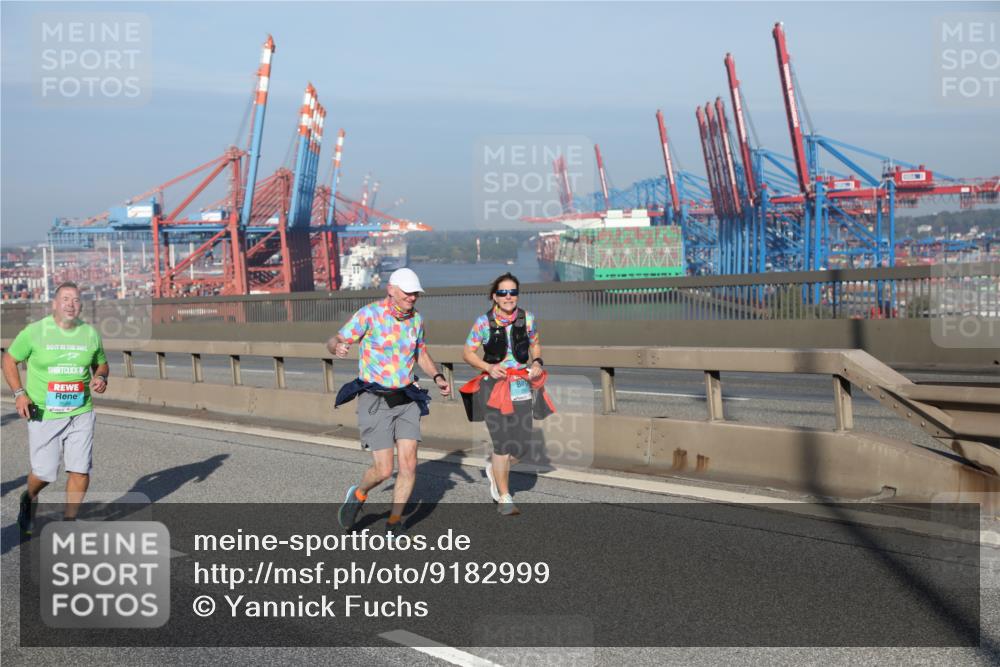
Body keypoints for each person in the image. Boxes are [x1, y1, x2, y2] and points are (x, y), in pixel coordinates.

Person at [330, 268, 450, 535]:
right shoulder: (370, 314)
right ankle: (359, 494)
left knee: (409, 464)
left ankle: (394, 522)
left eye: (416, 293)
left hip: (407, 398)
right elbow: (336, 338)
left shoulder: (416, 320)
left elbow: (421, 353)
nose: (413, 297)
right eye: (408, 292)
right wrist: (337, 346)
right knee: (384, 470)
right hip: (375, 399)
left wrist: (438, 375)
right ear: (391, 290)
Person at [3, 282, 109, 535]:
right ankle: (29, 497)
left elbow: (101, 363)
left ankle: (69, 523)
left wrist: (101, 377)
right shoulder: (34, 332)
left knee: (80, 470)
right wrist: (19, 394)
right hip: (44, 412)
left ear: (81, 305)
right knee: (45, 473)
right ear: (54, 304)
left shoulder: (90, 334)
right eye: (65, 299)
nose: (71, 304)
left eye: (76, 300)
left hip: (81, 411)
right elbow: (8, 359)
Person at [460, 273, 553, 516]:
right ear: (495, 296)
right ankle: (504, 496)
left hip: (521, 386)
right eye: (503, 292)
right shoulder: (483, 323)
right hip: (493, 388)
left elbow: (535, 344)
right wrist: (488, 367)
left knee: (521, 448)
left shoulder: (527, 319)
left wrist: (537, 362)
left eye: (513, 292)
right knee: (502, 444)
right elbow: (467, 353)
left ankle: (495, 468)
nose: (508, 297)